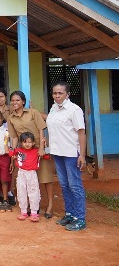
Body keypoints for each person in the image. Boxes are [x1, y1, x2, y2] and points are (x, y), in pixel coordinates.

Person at [46, 81, 87, 231]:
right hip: (58, 152)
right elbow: (52, 123)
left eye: (60, 93)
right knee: (64, 185)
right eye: (55, 93)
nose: (57, 96)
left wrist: (82, 154)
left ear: (67, 94)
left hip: (71, 153)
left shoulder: (74, 110)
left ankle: (80, 218)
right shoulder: (54, 109)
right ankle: (70, 214)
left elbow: (81, 132)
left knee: (75, 185)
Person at [7, 91, 54, 218]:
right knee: (25, 180)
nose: (14, 103)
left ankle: (49, 205)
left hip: (38, 148)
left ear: (23, 101)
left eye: (17, 100)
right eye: (12, 100)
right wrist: (14, 152)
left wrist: (42, 148)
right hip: (23, 152)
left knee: (45, 178)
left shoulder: (33, 113)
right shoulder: (11, 118)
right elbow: (15, 137)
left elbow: (41, 129)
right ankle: (29, 207)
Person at [7, 132, 41, 222]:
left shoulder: (36, 151)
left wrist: (43, 145)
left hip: (32, 174)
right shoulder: (18, 151)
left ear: (33, 143)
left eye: (30, 142)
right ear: (21, 143)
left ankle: (34, 212)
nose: (27, 144)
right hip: (21, 173)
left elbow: (45, 155)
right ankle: (23, 211)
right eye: (25, 142)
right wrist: (6, 142)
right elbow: (10, 153)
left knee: (34, 192)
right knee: (21, 191)